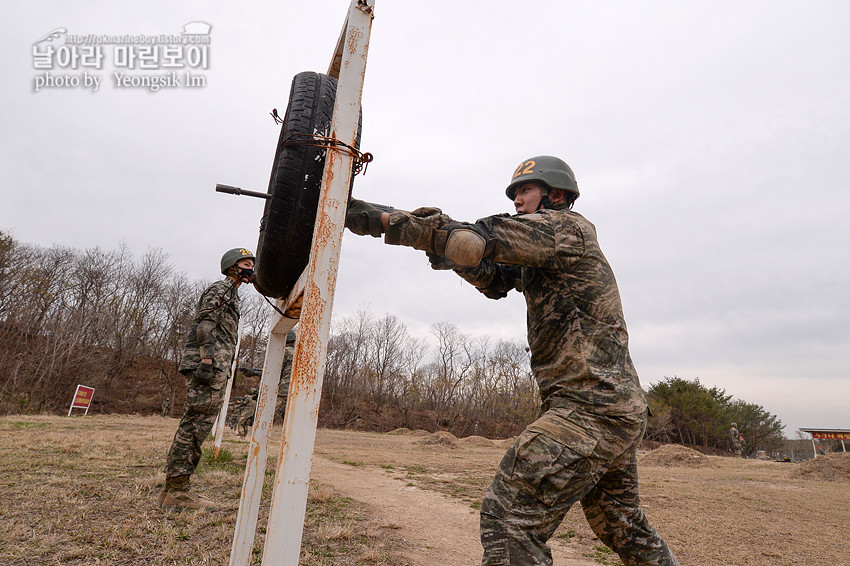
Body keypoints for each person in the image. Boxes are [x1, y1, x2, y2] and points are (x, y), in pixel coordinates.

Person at [345, 156, 678, 565]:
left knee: (509, 520)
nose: (518, 199)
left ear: (555, 195)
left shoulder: (565, 229)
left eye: (526, 191)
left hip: (591, 408)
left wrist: (381, 222)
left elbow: (478, 239)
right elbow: (494, 275)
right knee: (622, 523)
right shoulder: (544, 257)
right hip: (612, 407)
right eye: (516, 193)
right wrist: (436, 246)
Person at [157, 247, 255, 512]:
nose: (251, 267)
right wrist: (207, 361)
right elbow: (206, 324)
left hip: (214, 368)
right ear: (233, 266)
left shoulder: (231, 295)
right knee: (196, 426)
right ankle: (178, 491)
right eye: (247, 262)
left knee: (194, 424)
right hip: (208, 367)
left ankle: (171, 489)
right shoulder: (220, 290)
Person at [274, 329, 297, 424]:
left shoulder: (286, 351)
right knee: (291, 422)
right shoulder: (301, 353)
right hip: (296, 391)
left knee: (270, 416)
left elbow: (275, 371)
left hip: (284, 390)